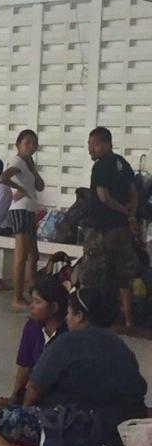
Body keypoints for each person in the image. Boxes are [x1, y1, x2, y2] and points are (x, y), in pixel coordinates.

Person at [0, 285, 148, 446]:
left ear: (79, 316)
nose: (67, 318)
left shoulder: (68, 342)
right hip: (124, 432)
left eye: (70, 313)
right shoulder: (120, 345)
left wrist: (23, 412)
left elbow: (35, 388)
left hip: (82, 429)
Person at [81, 127, 139, 327]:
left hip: (100, 229)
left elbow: (103, 196)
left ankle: (88, 317)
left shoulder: (101, 166)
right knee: (124, 275)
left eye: (94, 144)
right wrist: (130, 215)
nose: (91, 149)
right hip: (122, 230)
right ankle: (129, 319)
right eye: (89, 145)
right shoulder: (122, 163)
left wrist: (122, 210)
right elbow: (134, 192)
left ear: (107, 144)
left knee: (91, 274)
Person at [0, 276, 68, 407]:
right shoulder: (31, 327)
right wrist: (14, 398)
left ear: (54, 307)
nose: (31, 306)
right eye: (32, 301)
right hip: (36, 393)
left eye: (37, 302)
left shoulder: (68, 333)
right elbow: (25, 365)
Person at [0, 129, 45, 311]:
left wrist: (32, 168)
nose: (31, 147)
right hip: (21, 209)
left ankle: (33, 292)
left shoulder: (27, 163)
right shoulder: (17, 161)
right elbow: (3, 178)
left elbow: (40, 186)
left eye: (34, 143)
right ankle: (17, 296)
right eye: (27, 143)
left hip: (29, 210)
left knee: (33, 255)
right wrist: (19, 189)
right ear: (18, 145)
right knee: (22, 255)